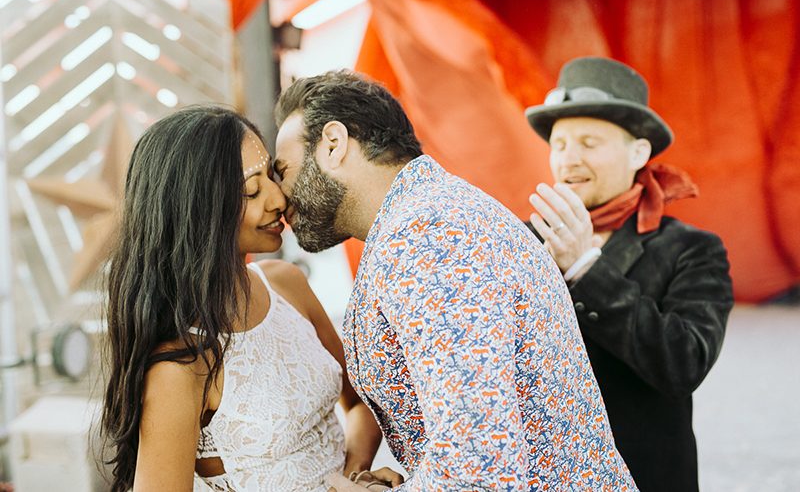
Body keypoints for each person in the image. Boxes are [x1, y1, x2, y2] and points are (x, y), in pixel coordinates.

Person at [272, 70, 637, 490]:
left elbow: (480, 464)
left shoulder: (427, 235)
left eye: (284, 169)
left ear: (333, 144)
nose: (280, 195)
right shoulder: (434, 214)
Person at [100, 106, 402, 492]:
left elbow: (362, 403)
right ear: (199, 212)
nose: (279, 199)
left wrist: (354, 475)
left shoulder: (287, 285)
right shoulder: (181, 365)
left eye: (273, 178)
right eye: (252, 190)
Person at [524, 56, 733, 491]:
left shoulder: (692, 250)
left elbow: (683, 364)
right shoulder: (521, 240)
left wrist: (586, 268)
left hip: (644, 476)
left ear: (638, 152)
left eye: (588, 142)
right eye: (559, 144)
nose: (569, 159)